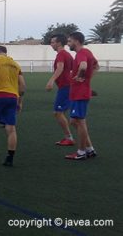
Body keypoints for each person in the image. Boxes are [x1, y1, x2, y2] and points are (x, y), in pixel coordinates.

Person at [65, 32, 99, 160]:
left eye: (70, 41)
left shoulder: (81, 54)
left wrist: (80, 76)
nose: (68, 44)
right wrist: (87, 78)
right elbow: (96, 66)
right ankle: (89, 149)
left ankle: (81, 152)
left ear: (76, 41)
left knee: (79, 122)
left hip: (80, 93)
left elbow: (84, 66)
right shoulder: (87, 52)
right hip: (79, 92)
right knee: (75, 121)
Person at [45, 34, 75, 146]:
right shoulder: (67, 54)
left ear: (59, 43)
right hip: (68, 86)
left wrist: (51, 80)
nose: (51, 44)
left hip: (66, 87)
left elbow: (60, 67)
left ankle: (69, 137)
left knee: (58, 113)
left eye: (53, 42)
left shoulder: (61, 54)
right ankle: (69, 137)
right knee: (61, 112)